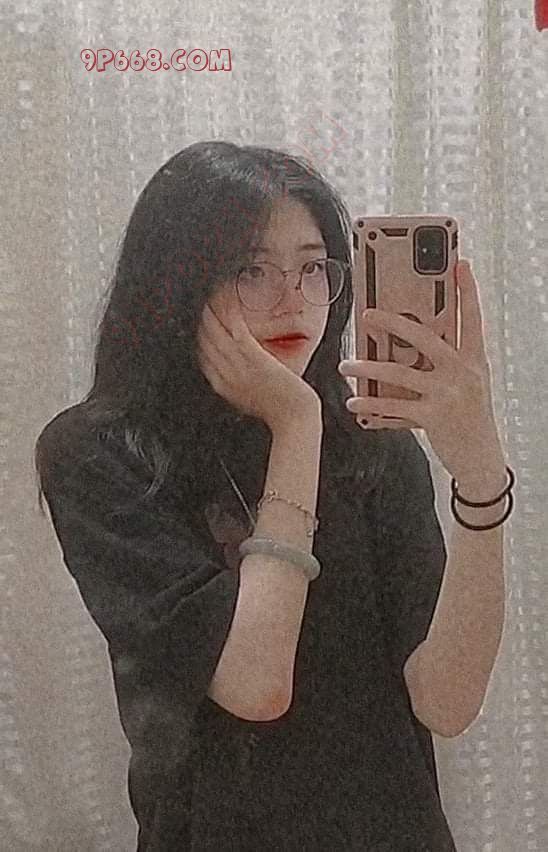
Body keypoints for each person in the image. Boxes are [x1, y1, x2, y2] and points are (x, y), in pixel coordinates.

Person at [34, 141, 458, 850]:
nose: (293, 299)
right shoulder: (97, 454)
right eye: (250, 270)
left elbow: (447, 702)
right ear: (177, 286)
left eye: (312, 267)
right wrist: (295, 426)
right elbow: (256, 686)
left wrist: (483, 480)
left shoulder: (373, 444)